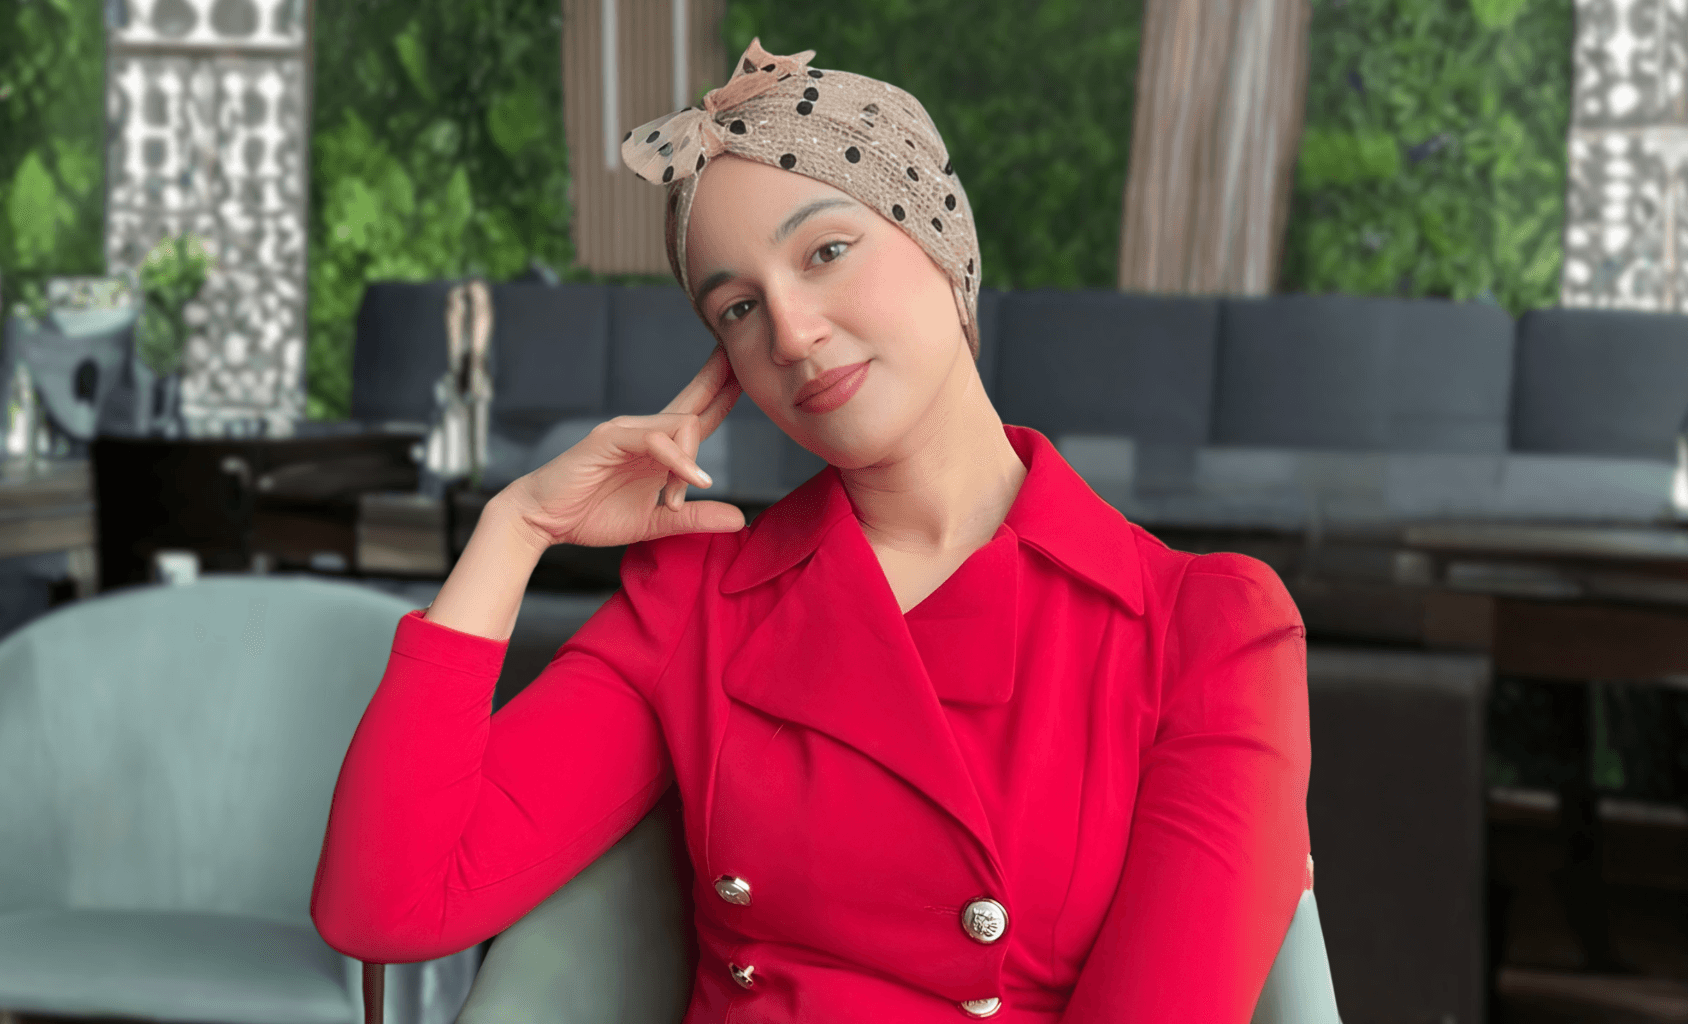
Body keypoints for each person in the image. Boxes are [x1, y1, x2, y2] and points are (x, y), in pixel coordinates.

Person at [310, 38, 1312, 1023]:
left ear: (941, 238)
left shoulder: (1208, 629)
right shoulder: (699, 600)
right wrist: (517, 525)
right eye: (738, 308)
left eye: (825, 252)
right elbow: (386, 902)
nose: (789, 333)